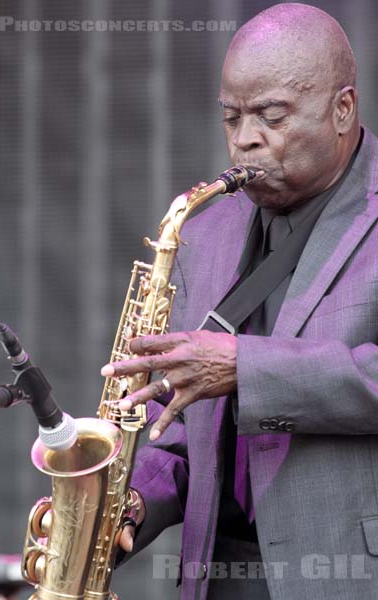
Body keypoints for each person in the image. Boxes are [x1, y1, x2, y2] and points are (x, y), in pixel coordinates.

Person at [102, 3, 378, 598]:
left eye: (270, 116)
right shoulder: (206, 230)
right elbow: (174, 415)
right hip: (217, 575)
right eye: (231, 118)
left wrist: (246, 369)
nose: (244, 139)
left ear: (343, 109)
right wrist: (130, 499)